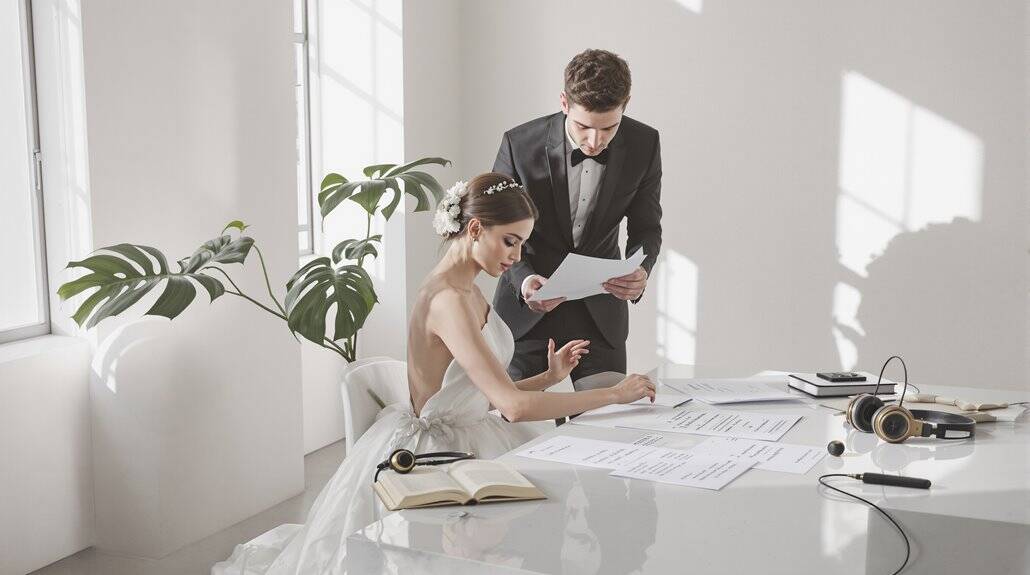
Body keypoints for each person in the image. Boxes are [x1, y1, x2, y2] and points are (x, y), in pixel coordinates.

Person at [212, 172, 656, 574]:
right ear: (476, 229)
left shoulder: (469, 288)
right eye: (510, 242)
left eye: (522, 244)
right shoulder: (447, 299)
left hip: (471, 429)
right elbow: (513, 409)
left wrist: (545, 378)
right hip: (435, 454)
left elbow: (475, 393)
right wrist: (614, 394)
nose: (518, 256)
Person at [492, 49, 663, 394]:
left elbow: (647, 226)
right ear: (564, 103)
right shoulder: (519, 144)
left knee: (607, 430)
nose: (595, 141)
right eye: (584, 127)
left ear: (625, 105)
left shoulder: (645, 143)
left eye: (608, 127)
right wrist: (524, 281)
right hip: (527, 314)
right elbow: (498, 229)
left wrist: (640, 271)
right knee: (521, 431)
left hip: (600, 316)